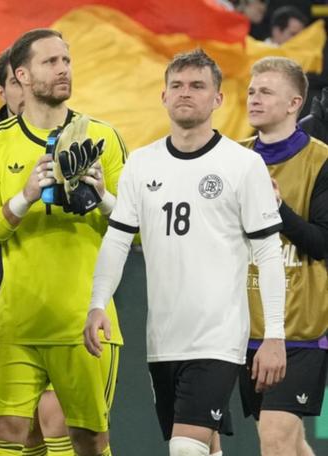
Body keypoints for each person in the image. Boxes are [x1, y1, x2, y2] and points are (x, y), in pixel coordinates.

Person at [83, 49, 287, 456]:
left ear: (218, 99)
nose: (185, 93)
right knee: (202, 446)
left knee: (184, 448)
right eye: (176, 85)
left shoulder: (242, 165)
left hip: (219, 335)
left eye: (197, 86)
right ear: (163, 96)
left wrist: (274, 336)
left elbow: (268, 253)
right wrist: (97, 302)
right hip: (163, 338)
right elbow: (119, 238)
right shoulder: (142, 163)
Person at [0, 28, 126, 456]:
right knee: (5, 433)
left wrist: (102, 197)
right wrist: (23, 198)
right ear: (21, 75)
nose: (62, 70)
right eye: (50, 62)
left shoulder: (103, 138)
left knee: (87, 439)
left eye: (66, 61)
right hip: (16, 322)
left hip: (84, 321)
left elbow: (136, 230)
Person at [239, 56, 328, 456]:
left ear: (294, 103)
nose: (254, 99)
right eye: (252, 91)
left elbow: (323, 244)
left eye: (266, 92)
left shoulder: (322, 161)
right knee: (289, 441)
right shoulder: (232, 159)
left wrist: (278, 210)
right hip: (244, 326)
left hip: (303, 330)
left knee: (274, 436)